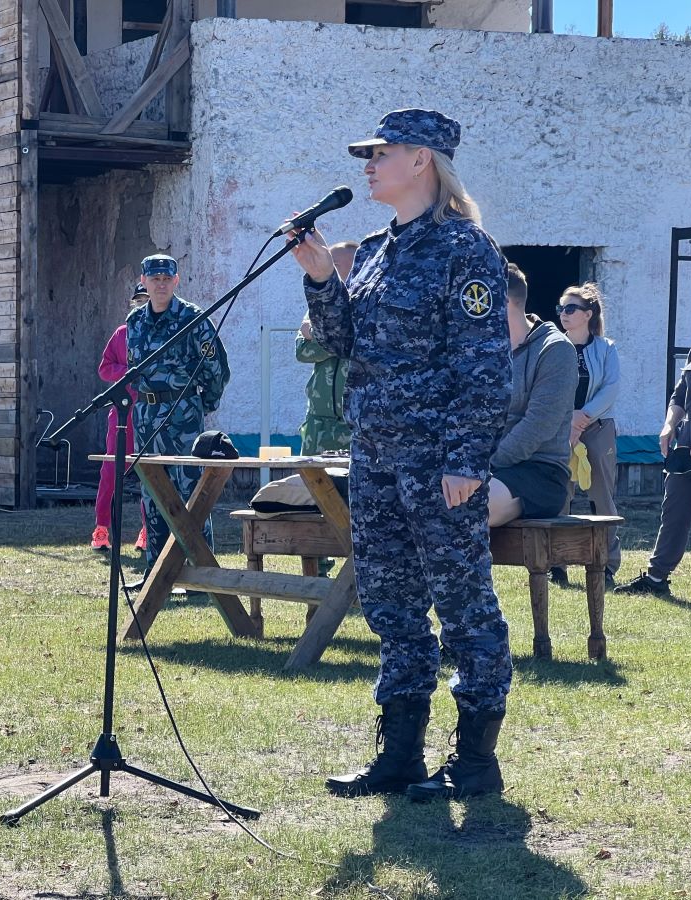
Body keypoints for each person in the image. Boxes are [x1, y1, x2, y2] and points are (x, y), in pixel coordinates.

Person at [290, 108, 512, 801]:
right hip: (378, 457)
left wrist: (466, 460)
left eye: (381, 153)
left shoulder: (465, 250)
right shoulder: (384, 248)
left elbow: (485, 365)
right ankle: (402, 754)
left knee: (465, 605)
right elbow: (347, 342)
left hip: (438, 462)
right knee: (391, 605)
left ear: (423, 159)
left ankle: (474, 762)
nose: (368, 164)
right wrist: (321, 278)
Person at [126, 253, 230, 572]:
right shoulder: (135, 322)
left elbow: (216, 369)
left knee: (191, 495)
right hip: (146, 415)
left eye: (166, 279)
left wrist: (203, 405)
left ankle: (202, 573)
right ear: (143, 282)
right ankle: (156, 573)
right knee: (153, 494)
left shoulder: (193, 319)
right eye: (154, 279)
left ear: (176, 281)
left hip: (182, 415)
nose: (160, 285)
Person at [614, 285, 691, 604]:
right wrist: (669, 425)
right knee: (673, 511)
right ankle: (657, 578)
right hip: (687, 447)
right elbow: (680, 394)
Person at [486, 263, 578, 528]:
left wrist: (481, 465)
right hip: (484, 469)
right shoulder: (486, 350)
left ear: (502, 300)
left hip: (539, 472)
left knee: (467, 503)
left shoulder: (556, 349)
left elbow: (538, 425)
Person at [550, 283, 622, 586]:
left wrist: (583, 417)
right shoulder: (552, 346)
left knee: (602, 496)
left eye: (570, 308)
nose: (563, 314)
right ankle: (556, 563)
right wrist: (568, 421)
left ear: (588, 314)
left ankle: (605, 564)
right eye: (561, 309)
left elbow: (611, 388)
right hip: (560, 430)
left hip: (597, 428)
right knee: (559, 494)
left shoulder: (606, 349)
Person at [90, 284, 149, 552]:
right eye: (138, 301)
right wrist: (128, 371)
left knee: (151, 473)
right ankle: (101, 529)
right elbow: (104, 368)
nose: (142, 305)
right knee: (111, 471)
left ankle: (148, 531)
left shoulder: (161, 335)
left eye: (146, 300)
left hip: (152, 412)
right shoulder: (121, 334)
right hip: (122, 413)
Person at [296, 240, 357, 457]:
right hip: (318, 425)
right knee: (308, 488)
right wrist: (339, 337)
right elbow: (302, 350)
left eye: (335, 263)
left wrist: (319, 334)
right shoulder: (318, 307)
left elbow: (356, 347)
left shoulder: (367, 306)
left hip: (353, 426)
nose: (326, 266)